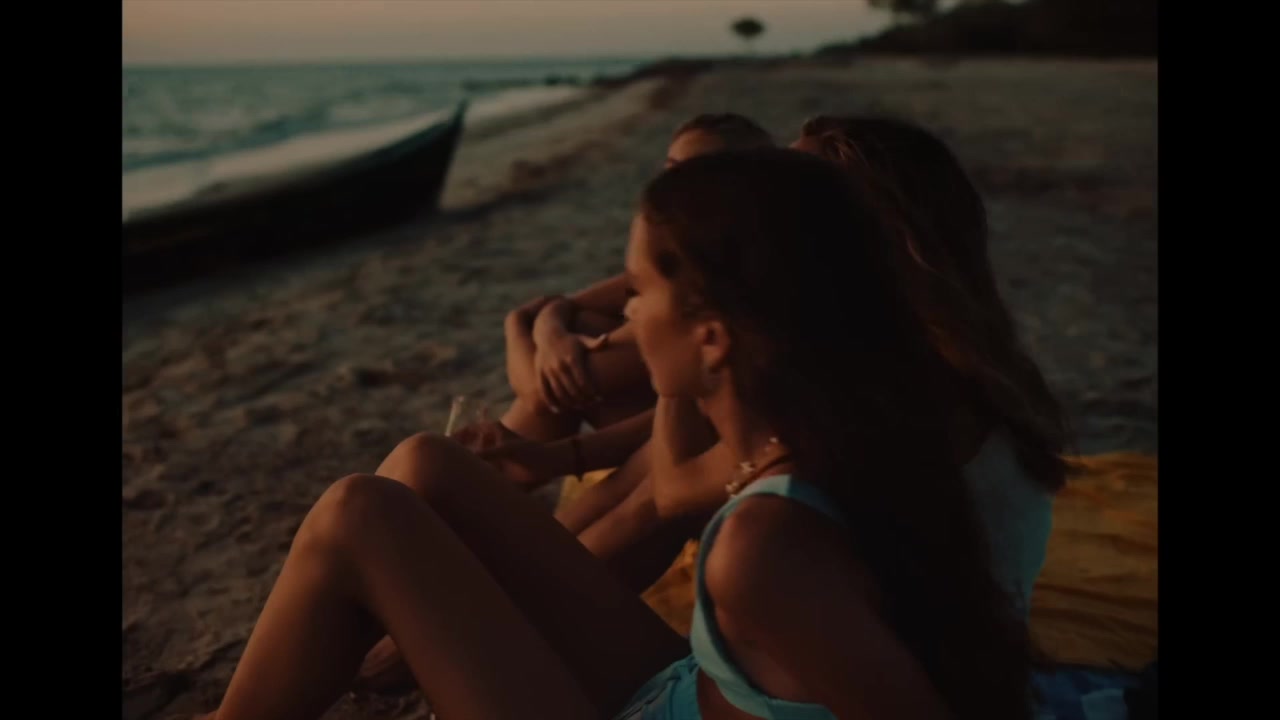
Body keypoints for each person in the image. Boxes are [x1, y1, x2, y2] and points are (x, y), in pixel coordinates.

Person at [198, 148, 1034, 720]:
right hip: (682, 691)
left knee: (358, 513)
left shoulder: (767, 547)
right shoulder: (825, 434)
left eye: (639, 289)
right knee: (426, 463)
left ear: (713, 334)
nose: (627, 312)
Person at [791, 115, 1071, 611]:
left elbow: (674, 495)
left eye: (785, 199)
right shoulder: (947, 356)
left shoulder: (902, 385)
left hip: (903, 653)